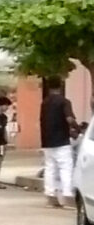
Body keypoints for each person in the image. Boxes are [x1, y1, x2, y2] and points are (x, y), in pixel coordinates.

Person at [39, 78, 77, 208]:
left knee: (50, 169)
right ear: (60, 86)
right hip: (61, 140)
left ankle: (51, 197)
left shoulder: (44, 102)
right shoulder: (64, 101)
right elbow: (69, 118)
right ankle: (68, 198)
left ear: (49, 87)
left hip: (47, 141)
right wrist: (77, 129)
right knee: (66, 169)